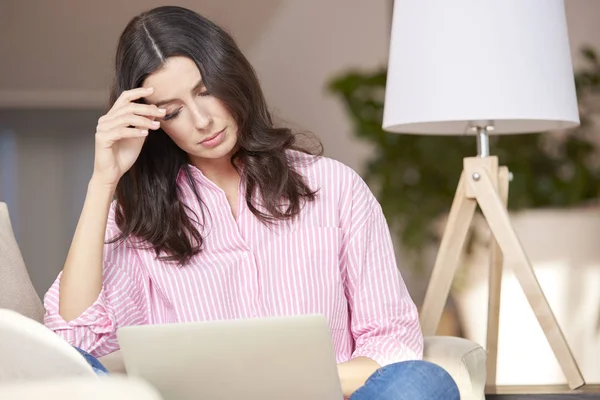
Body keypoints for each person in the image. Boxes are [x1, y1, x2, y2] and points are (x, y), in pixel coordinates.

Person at [42, 5, 459, 399]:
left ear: (232, 77)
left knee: (422, 381)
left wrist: (287, 380)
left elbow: (391, 342)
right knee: (69, 366)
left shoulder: (334, 187)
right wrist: (104, 181)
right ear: (152, 123)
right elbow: (76, 341)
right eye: (172, 112)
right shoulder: (141, 217)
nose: (201, 121)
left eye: (205, 92)